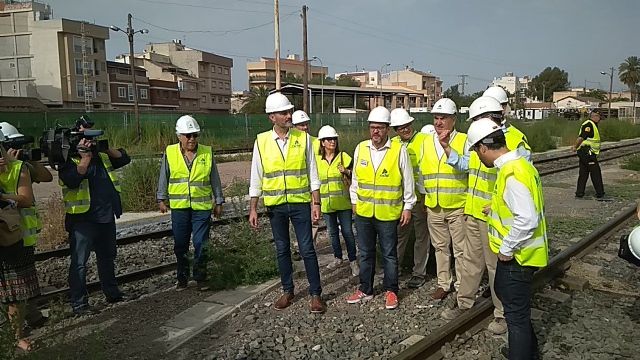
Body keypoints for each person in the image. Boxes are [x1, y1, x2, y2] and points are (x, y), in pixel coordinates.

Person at [441, 96, 531, 335]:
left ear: (492, 116)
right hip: (473, 212)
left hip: (495, 217)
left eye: (478, 119)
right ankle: (464, 303)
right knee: (470, 261)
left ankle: (501, 314)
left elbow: (521, 180)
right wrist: (448, 149)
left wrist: (499, 205)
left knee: (495, 267)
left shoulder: (513, 141)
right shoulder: (479, 139)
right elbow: (467, 165)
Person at [467, 117, 548, 360]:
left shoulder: (512, 173)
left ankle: (520, 354)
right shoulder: (519, 166)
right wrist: (495, 207)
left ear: (483, 148)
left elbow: (527, 219)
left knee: (516, 316)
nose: (479, 158)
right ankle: (525, 351)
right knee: (516, 308)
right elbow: (521, 207)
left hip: (519, 256)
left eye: (477, 152)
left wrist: (506, 248)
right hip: (523, 255)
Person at [248, 92, 326, 314]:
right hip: (276, 206)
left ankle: (315, 294)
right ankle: (288, 290)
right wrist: (253, 207)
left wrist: (316, 203)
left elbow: (313, 172)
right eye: (284, 112)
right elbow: (256, 175)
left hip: (300, 203)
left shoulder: (303, 139)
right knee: (282, 249)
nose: (288, 115)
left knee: (307, 248)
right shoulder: (261, 141)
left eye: (289, 111)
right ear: (272, 117)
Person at [58, 115, 132, 315]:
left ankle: (112, 292)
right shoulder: (67, 157)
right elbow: (72, 179)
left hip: (106, 215)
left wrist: (103, 147)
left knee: (107, 257)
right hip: (83, 220)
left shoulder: (100, 154)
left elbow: (124, 158)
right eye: (85, 136)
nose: (88, 141)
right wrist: (85, 158)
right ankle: (79, 303)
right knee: (80, 263)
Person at [346, 106, 415, 310]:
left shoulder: (399, 150)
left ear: (387, 129)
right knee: (366, 253)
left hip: (388, 213)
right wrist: (354, 202)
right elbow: (356, 179)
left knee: (389, 254)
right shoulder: (361, 148)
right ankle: (365, 289)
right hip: (364, 212)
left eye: (380, 128)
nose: (375, 131)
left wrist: (408, 206)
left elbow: (408, 181)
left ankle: (391, 290)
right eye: (372, 127)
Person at [157, 115, 224, 291]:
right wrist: (161, 198)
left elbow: (214, 178)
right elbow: (164, 175)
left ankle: (201, 277)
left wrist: (218, 201)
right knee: (180, 244)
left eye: (195, 135)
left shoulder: (206, 152)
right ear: (179, 136)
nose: (192, 139)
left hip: (201, 208)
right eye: (188, 135)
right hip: (179, 208)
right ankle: (182, 278)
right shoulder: (170, 152)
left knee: (201, 243)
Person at [420, 98, 468, 300]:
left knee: (460, 249)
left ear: (454, 120)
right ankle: (443, 283)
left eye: (444, 118)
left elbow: (467, 168)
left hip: (457, 205)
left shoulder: (464, 140)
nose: (439, 122)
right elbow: (422, 172)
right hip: (434, 205)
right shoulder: (425, 141)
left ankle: (462, 285)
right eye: (436, 118)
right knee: (440, 248)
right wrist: (424, 198)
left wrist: (448, 147)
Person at [0, 132, 40, 352]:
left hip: (11, 236)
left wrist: (5, 198)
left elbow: (26, 199)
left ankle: (17, 335)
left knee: (14, 293)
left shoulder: (18, 167)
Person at [390, 108, 431, 288]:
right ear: (395, 129)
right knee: (399, 235)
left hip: (420, 196)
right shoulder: (393, 143)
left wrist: (424, 197)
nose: (404, 129)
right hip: (401, 198)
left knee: (422, 236)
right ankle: (394, 269)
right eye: (400, 127)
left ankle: (419, 273)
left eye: (406, 126)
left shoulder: (425, 140)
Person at [316, 125, 358, 276]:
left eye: (334, 139)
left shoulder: (344, 157)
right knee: (332, 233)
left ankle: (353, 261)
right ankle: (338, 257)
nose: (332, 142)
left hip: (343, 203)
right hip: (327, 204)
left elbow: (357, 175)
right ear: (322, 142)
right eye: (328, 139)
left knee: (347, 232)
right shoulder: (317, 161)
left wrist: (346, 171)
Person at [573, 109, 604, 199]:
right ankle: (600, 194)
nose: (600, 120)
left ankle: (579, 193)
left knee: (584, 172)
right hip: (587, 152)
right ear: (595, 116)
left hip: (585, 152)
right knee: (595, 173)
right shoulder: (589, 125)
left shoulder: (593, 124)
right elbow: (581, 137)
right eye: (599, 117)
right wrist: (575, 146)